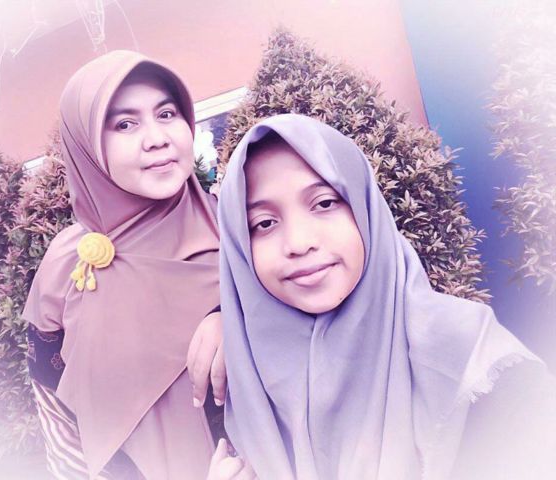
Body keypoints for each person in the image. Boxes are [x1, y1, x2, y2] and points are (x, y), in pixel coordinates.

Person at [213, 114, 556, 479]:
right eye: (264, 223)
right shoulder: (248, 383)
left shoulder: (471, 362)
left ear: (365, 209)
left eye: (324, 203)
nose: (298, 242)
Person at [24, 50, 225, 480]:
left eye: (166, 114)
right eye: (125, 124)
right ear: (87, 148)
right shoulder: (67, 264)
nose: (156, 138)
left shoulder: (241, 229)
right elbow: (55, 409)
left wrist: (237, 318)